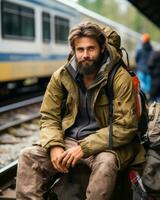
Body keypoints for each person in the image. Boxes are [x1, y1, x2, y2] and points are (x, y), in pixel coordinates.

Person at [16, 22, 145, 200]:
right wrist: (54, 145)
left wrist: (84, 148)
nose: (85, 55)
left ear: (101, 48)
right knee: (28, 156)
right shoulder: (61, 76)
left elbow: (125, 126)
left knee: (106, 164)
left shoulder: (119, 77)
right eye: (80, 49)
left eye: (91, 49)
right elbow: (48, 116)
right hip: (69, 141)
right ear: (73, 51)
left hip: (106, 145)